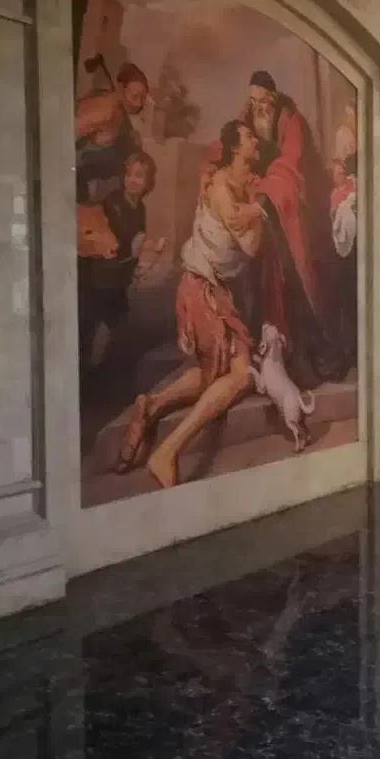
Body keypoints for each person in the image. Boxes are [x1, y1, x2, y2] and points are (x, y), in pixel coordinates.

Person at [117, 120, 264, 489]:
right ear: (235, 148)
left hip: (213, 290)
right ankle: (167, 451)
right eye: (249, 136)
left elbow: (247, 245)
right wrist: (259, 208)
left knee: (217, 374)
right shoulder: (221, 187)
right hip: (201, 290)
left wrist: (254, 204)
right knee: (240, 375)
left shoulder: (235, 186)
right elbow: (244, 236)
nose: (255, 140)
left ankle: (151, 404)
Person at [208, 70, 343, 386]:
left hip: (295, 209)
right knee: (264, 279)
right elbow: (227, 143)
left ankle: (317, 354)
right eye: (253, 100)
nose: (257, 107)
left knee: (297, 277)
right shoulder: (249, 115)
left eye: (262, 101)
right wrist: (213, 168)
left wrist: (261, 203)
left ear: (273, 97)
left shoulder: (291, 121)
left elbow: (289, 165)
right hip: (267, 206)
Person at [78, 150, 165, 367]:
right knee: (94, 323)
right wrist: (141, 246)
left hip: (118, 277)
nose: (132, 180)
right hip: (101, 276)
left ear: (148, 182)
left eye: (139, 176)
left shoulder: (140, 208)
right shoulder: (113, 202)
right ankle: (91, 366)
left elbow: (137, 240)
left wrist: (144, 254)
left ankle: (104, 365)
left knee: (115, 324)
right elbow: (115, 240)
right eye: (129, 174)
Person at [75, 61, 150, 203]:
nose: (138, 104)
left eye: (142, 99)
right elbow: (68, 134)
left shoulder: (123, 120)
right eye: (135, 97)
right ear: (121, 89)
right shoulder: (107, 109)